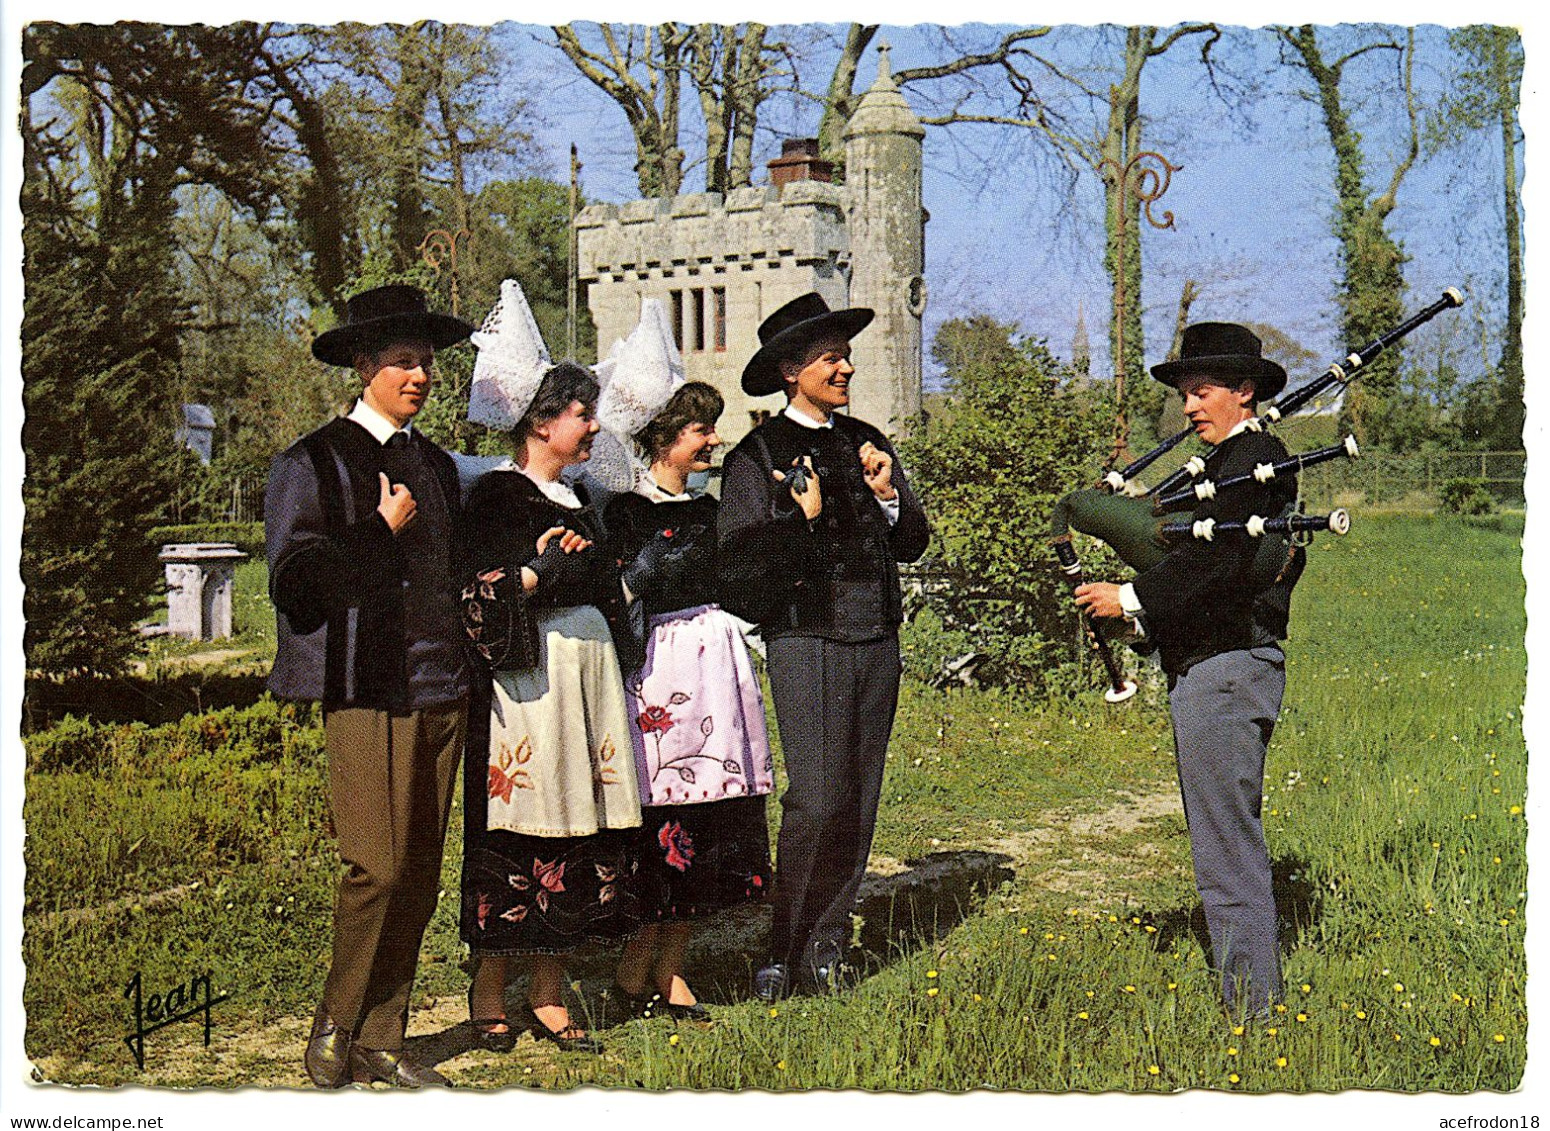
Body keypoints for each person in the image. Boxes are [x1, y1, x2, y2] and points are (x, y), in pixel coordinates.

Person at [265, 284, 475, 1088]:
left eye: (424, 361)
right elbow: (296, 585)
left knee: (420, 868)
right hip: (365, 686)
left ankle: (383, 1037)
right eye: (400, 361)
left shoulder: (436, 467)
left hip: (440, 686)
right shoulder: (313, 460)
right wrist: (377, 532)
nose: (418, 374)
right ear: (363, 367)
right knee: (376, 865)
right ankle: (336, 1019)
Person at [1075, 322, 1302, 1017]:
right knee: (1221, 835)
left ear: (1244, 390)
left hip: (1229, 671)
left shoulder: (1255, 458)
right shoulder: (1227, 466)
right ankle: (1249, 997)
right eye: (1185, 396)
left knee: (1226, 842)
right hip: (1213, 663)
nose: (1190, 409)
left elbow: (1219, 561)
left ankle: (1252, 1011)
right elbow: (1210, 581)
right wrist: (1138, 621)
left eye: (1201, 392)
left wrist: (1133, 595)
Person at [717, 292, 930, 1000]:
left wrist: (889, 494)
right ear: (790, 370)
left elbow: (913, 542)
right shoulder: (757, 456)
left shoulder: (867, 439)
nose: (846, 367)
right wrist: (796, 521)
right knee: (816, 795)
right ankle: (782, 945)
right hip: (806, 637)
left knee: (860, 799)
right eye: (830, 357)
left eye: (845, 354)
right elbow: (739, 570)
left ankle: (828, 945)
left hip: (877, 637)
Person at [458, 281, 643, 1055]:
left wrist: (602, 573)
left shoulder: (582, 498)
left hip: (585, 678)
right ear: (541, 420)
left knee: (572, 825)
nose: (594, 426)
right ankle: (491, 988)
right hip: (529, 687)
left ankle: (549, 990)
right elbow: (476, 597)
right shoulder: (499, 496)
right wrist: (537, 572)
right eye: (581, 413)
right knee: (521, 826)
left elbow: (609, 583)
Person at [604, 380, 775, 1021]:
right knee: (661, 813)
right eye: (700, 430)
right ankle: (632, 968)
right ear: (663, 439)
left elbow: (739, 572)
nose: (712, 441)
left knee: (707, 814)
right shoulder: (626, 511)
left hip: (714, 661)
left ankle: (670, 970)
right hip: (660, 665)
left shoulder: (712, 511)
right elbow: (638, 582)